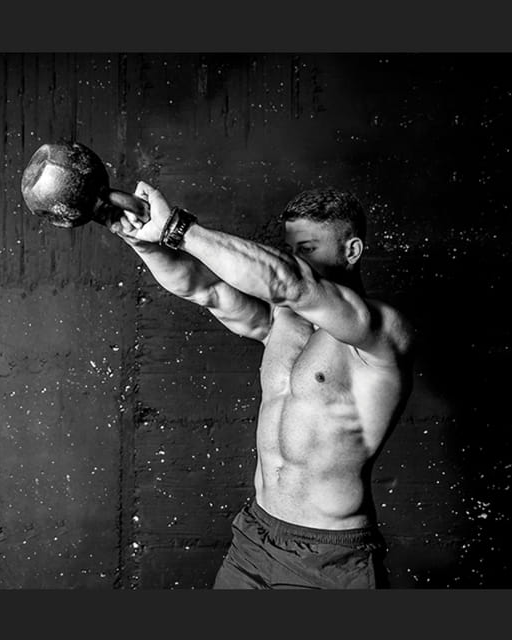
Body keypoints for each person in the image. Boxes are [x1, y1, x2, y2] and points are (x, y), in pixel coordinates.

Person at [106, 182, 415, 589]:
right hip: (256, 538)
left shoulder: (380, 332)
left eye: (307, 249)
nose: (294, 260)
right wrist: (143, 240)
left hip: (330, 556)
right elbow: (205, 290)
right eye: (290, 250)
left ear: (351, 251)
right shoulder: (283, 321)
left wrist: (177, 228)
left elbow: (293, 283)